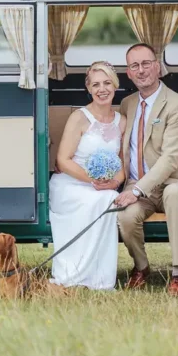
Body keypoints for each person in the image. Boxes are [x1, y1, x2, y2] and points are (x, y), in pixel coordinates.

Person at [114, 43, 178, 297]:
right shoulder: (127, 104)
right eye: (135, 66)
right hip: (137, 185)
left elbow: (171, 158)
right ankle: (141, 268)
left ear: (157, 67)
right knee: (125, 216)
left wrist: (139, 189)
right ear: (129, 73)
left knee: (174, 192)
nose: (141, 70)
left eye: (146, 64)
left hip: (175, 183)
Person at [48, 61, 127, 291]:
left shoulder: (121, 121)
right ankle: (75, 272)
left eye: (106, 83)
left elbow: (123, 162)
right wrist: (91, 181)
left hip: (103, 186)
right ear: (89, 88)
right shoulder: (79, 118)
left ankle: (100, 278)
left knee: (108, 198)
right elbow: (63, 159)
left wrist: (115, 181)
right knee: (100, 199)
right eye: (96, 85)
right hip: (71, 183)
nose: (102, 89)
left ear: (115, 85)